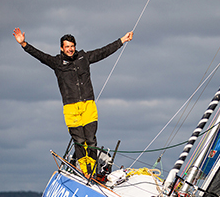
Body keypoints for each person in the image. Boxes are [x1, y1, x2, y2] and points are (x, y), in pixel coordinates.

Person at [13, 27, 133, 176]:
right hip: (71, 108)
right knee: (79, 141)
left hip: (88, 105)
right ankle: (85, 171)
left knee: (91, 140)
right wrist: (24, 44)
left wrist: (122, 40)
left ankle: (93, 171)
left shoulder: (83, 57)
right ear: (62, 48)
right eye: (67, 47)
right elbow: (40, 56)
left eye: (72, 46)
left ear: (75, 46)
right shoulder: (56, 62)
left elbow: (103, 52)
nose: (70, 49)